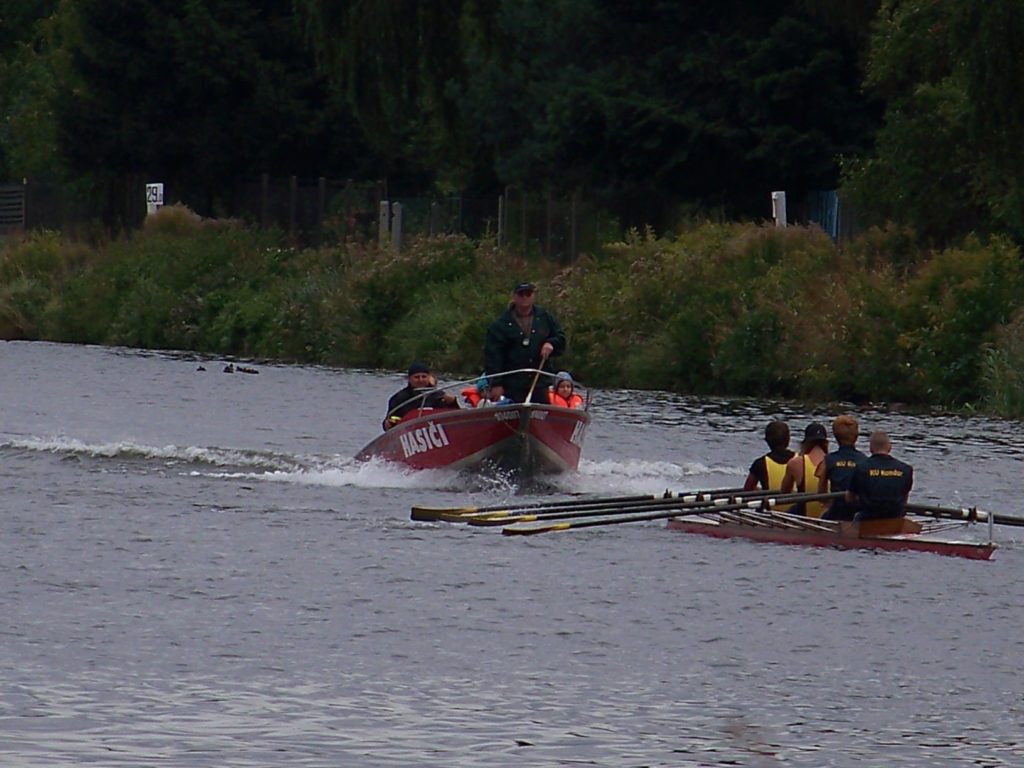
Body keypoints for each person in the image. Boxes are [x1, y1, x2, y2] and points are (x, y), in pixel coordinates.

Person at [484, 280, 566, 403]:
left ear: (534, 296)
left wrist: (551, 343)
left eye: (528, 294)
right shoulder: (500, 325)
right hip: (512, 384)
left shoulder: (545, 318)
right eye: (521, 294)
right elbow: (493, 356)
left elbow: (561, 338)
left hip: (539, 383)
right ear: (514, 296)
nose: (524, 297)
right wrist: (496, 384)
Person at [846, 430, 914, 520]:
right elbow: (904, 500)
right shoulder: (906, 469)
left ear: (871, 449)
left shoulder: (861, 468)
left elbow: (850, 499)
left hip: (867, 518)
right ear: (889, 447)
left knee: (855, 516)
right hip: (895, 518)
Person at [817, 414, 868, 521]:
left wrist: (828, 503)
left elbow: (821, 494)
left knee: (823, 514)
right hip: (857, 512)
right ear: (856, 436)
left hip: (837, 512)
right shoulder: (865, 460)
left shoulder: (828, 460)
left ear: (835, 437)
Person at [383, 361, 457, 430]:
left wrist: (452, 402)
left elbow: (455, 418)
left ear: (429, 377)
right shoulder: (398, 398)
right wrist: (388, 424)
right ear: (409, 379)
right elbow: (389, 421)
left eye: (424, 377)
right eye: (417, 377)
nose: (421, 380)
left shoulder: (439, 395)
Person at [781, 422, 829, 517]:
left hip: (804, 519)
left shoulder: (795, 463)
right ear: (826, 443)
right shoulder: (834, 462)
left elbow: (784, 492)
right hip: (828, 518)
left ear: (805, 443)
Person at [743, 420, 795, 492]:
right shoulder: (800, 460)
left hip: (771, 501)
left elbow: (748, 489)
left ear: (766, 440)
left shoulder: (760, 463)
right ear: (788, 439)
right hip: (797, 501)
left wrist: (759, 491)